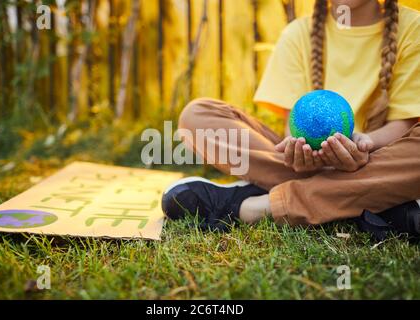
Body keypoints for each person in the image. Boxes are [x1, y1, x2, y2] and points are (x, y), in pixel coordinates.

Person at [162, 0, 420, 237]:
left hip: (379, 157)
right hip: (315, 165)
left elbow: (406, 124)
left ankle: (253, 206)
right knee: (198, 116)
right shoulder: (298, 34)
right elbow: (291, 131)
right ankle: (372, 198)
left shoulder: (413, 28)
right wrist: (303, 157)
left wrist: (364, 144)